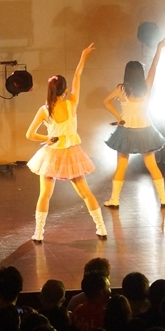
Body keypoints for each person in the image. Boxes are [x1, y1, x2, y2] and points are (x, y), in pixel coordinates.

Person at [25, 43, 107, 240]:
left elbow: (30, 134)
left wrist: (47, 139)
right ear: (65, 89)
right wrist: (83, 56)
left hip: (52, 154)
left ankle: (38, 233)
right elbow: (78, 75)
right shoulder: (72, 103)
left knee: (45, 195)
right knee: (85, 193)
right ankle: (101, 228)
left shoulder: (45, 110)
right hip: (71, 154)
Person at [102, 37, 165, 208]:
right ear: (141, 73)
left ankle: (114, 200)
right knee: (152, 166)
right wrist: (159, 48)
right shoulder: (147, 86)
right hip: (145, 129)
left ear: (127, 73)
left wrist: (118, 117)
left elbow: (106, 101)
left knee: (121, 167)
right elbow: (154, 67)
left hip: (126, 130)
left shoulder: (121, 89)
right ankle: (163, 198)